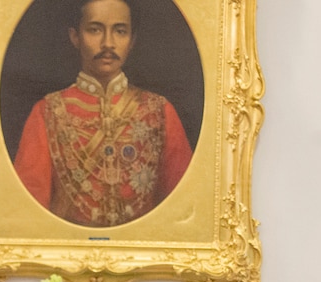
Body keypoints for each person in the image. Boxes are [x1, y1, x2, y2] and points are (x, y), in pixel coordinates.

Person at [13, 0, 193, 227]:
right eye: (95, 30)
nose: (108, 43)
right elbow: (29, 215)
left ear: (131, 40)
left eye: (120, 31)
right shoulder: (47, 111)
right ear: (75, 37)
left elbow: (183, 211)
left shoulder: (159, 111)